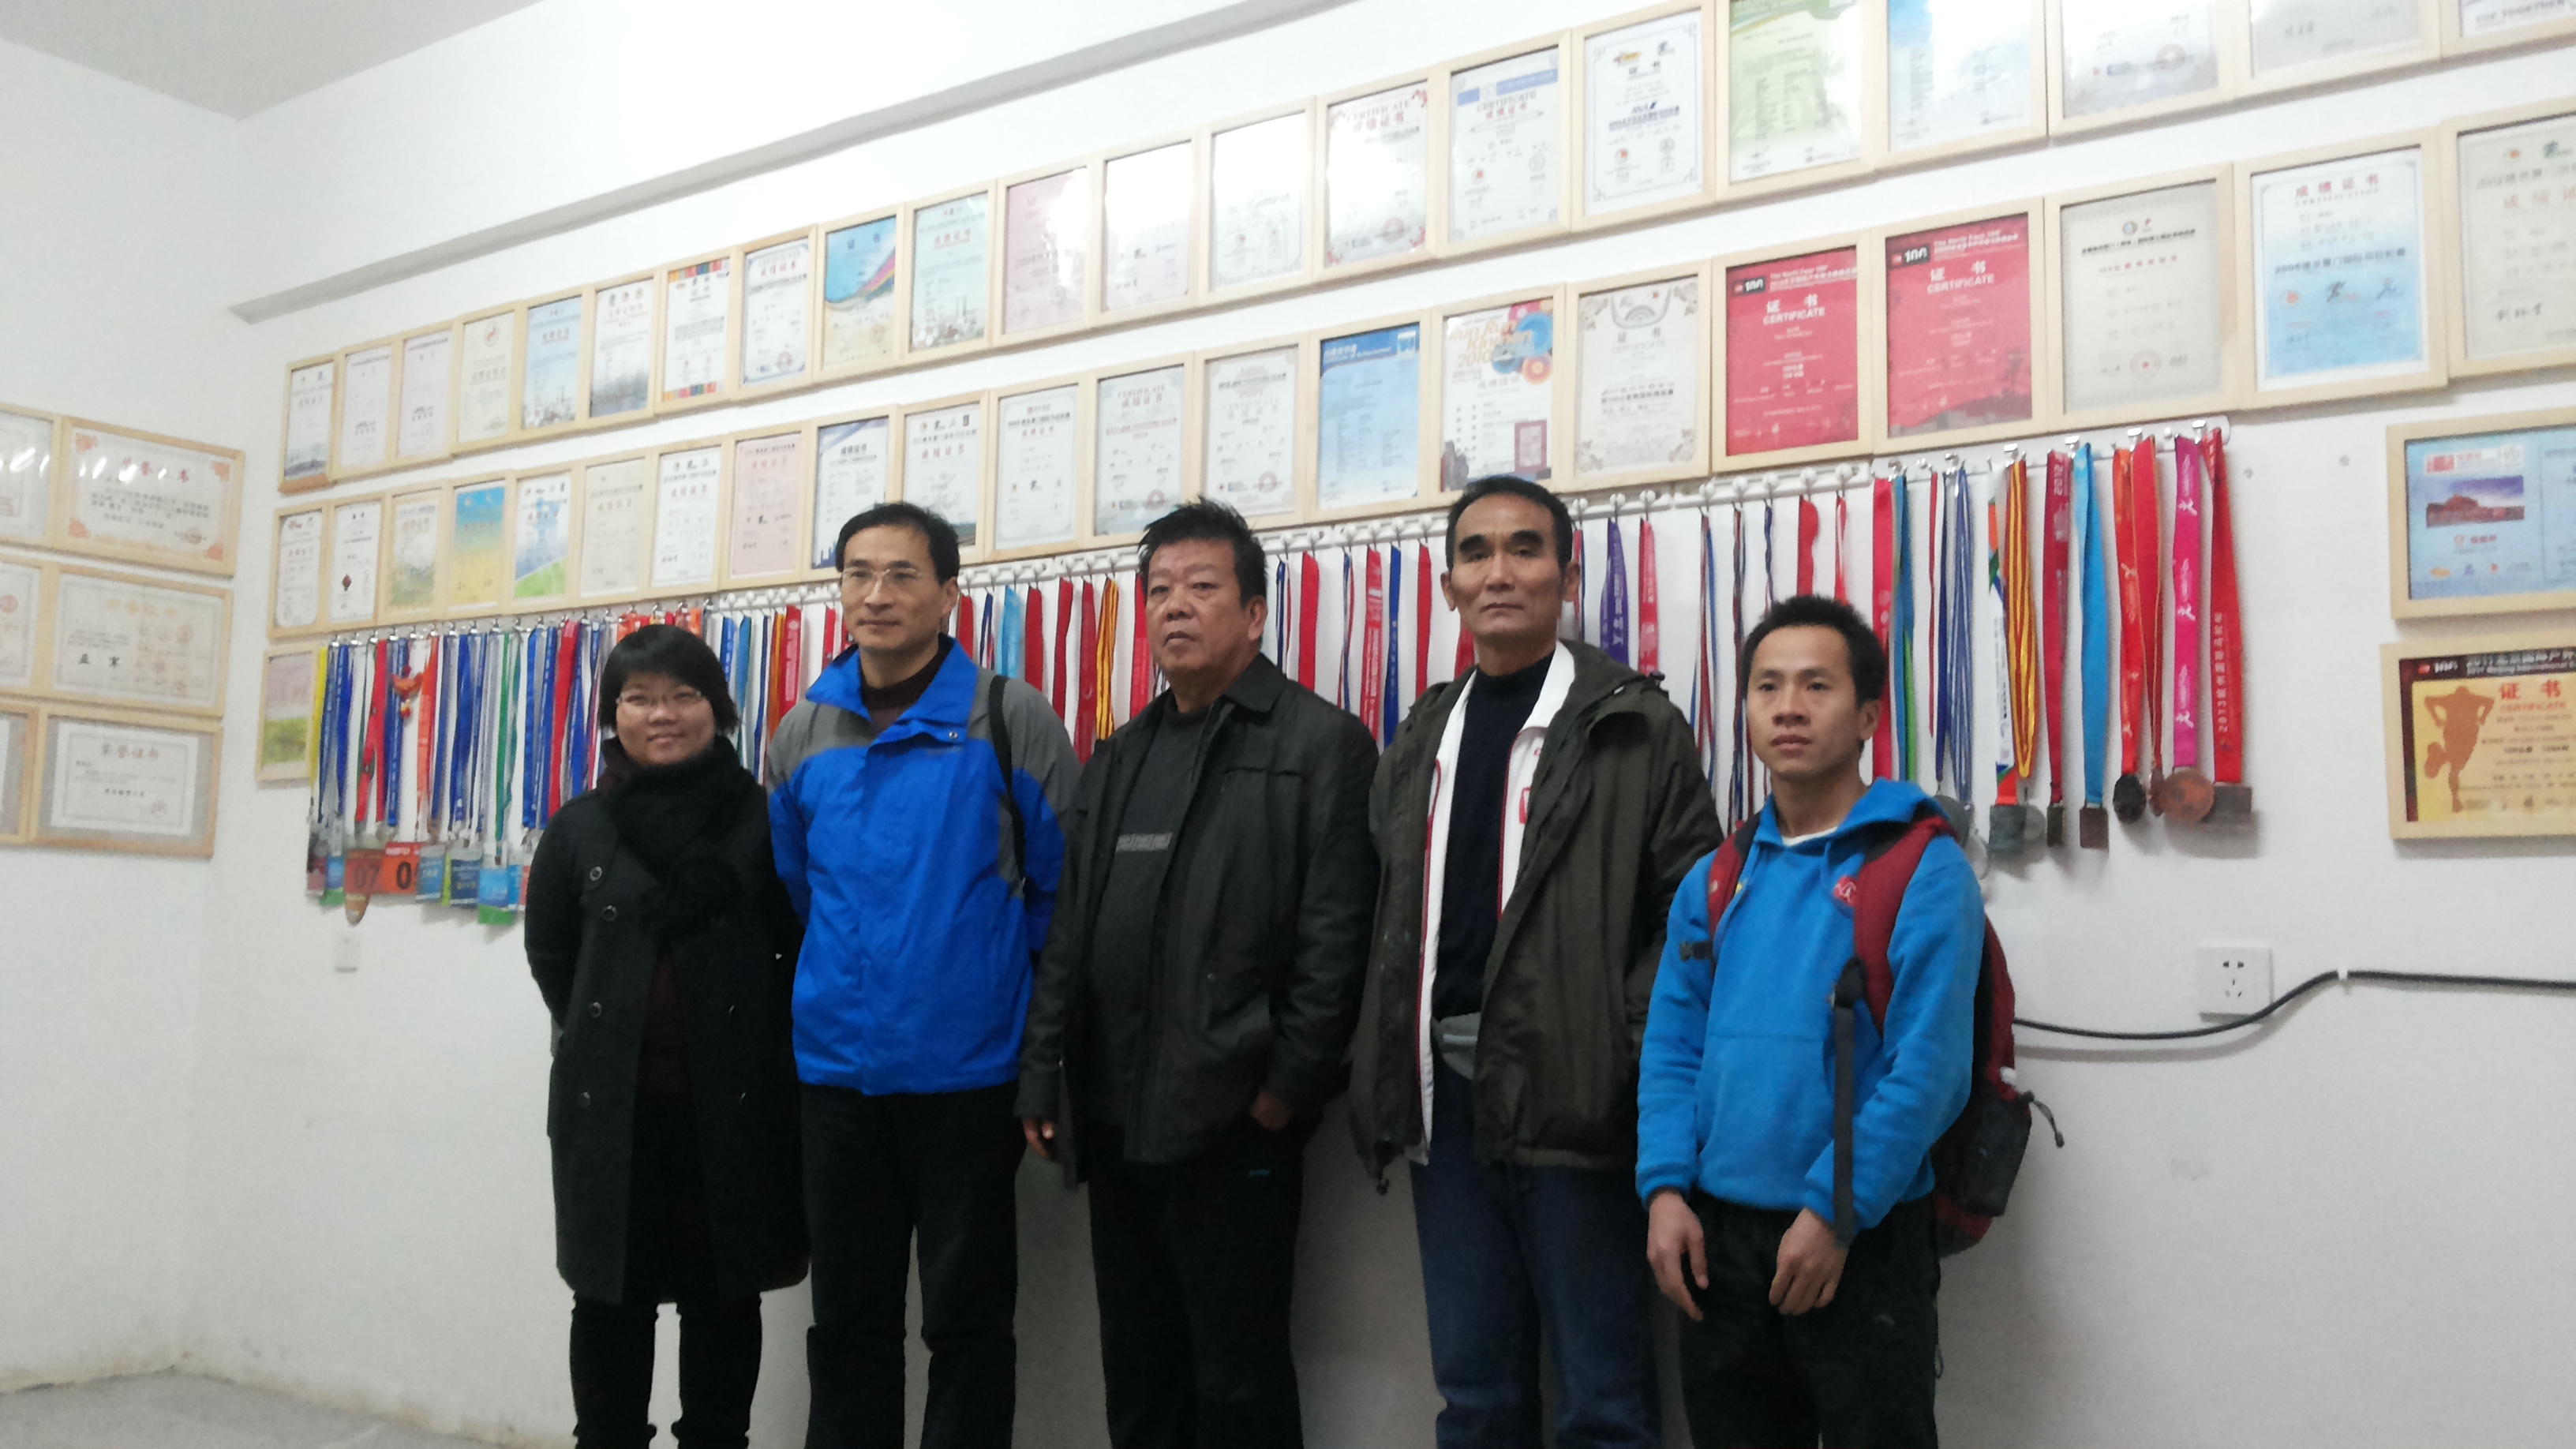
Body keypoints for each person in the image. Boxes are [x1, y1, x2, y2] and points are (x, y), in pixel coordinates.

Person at [1350, 476, 1722, 1449]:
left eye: (1525, 548)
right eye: (1476, 553)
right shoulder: (1421, 734)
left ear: (1566, 574)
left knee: (1604, 1401)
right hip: (1443, 1104)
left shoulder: (1632, 725)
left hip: (1579, 1097)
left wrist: (1617, 1045)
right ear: (1449, 586)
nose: (1500, 572)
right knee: (1475, 1396)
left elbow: (1692, 915)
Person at [1018, 500, 1379, 1449]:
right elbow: (1070, 930)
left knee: (1238, 1384)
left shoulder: (1320, 745)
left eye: (1203, 587)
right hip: (1112, 1115)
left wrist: (1285, 1089)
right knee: (1140, 1377)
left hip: (1233, 1120)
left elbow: (1337, 939)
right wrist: (1044, 1071)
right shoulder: (1122, 753)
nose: (1175, 606)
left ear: (1255, 614)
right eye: (1160, 591)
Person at [1637, 593, 1984, 1449]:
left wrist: (1835, 1212)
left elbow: (1930, 1070)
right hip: (1717, 1238)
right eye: (1767, 687)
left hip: (1858, 1236)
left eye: (1816, 685)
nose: (1788, 707)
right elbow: (1673, 1048)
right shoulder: (1715, 879)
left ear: (1867, 716)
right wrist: (1665, 1190)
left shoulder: (1921, 867)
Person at [766, 502, 1077, 1449]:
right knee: (847, 1323)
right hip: (838, 1080)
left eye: (902, 574)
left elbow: (1060, 893)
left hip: (967, 1081)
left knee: (968, 1323)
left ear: (948, 594)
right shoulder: (801, 731)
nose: (877, 593)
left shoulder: (1007, 716)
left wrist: (1015, 1026)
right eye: (857, 574)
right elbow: (797, 889)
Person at [524, 623, 807, 1449]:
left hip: (734, 1111)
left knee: (725, 1302)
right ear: (613, 714)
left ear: (717, 709)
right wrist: (610, 1033)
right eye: (640, 698)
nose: (662, 714)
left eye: (684, 695)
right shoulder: (581, 827)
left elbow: (795, 943)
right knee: (609, 1302)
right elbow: (554, 957)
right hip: (612, 1115)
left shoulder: (761, 820)